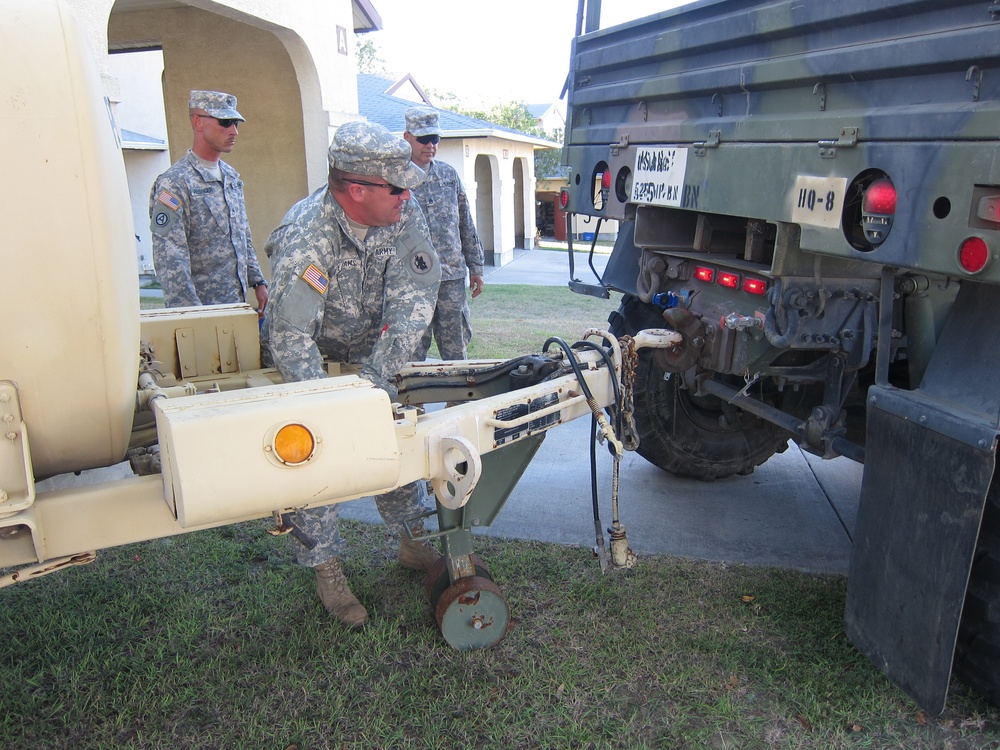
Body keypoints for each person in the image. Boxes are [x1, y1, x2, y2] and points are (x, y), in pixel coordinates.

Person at [262, 120, 442, 628]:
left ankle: (413, 539)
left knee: (398, 439)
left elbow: (414, 301)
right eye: (396, 185)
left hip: (376, 353)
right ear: (357, 190)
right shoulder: (307, 235)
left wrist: (376, 383)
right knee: (318, 460)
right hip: (313, 362)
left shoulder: (402, 210)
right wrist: (330, 404)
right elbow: (290, 334)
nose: (408, 193)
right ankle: (328, 570)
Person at [149, 90, 268, 317]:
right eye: (225, 122)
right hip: (202, 313)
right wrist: (194, 318)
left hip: (236, 306)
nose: (233, 131)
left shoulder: (231, 178)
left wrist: (258, 281)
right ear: (198, 122)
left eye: (235, 123)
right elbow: (170, 261)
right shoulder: (174, 184)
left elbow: (242, 236)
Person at [403, 106, 485, 361]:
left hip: (451, 278)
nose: (430, 145)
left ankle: (458, 402)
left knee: (455, 350)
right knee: (412, 351)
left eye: (435, 139)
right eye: (424, 139)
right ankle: (412, 403)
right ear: (407, 137)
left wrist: (476, 266)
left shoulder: (448, 175)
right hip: (412, 279)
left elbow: (465, 223)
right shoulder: (395, 178)